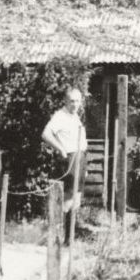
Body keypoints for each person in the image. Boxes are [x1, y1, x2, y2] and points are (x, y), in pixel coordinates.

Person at [41, 87, 87, 242]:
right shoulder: (60, 116)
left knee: (77, 199)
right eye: (72, 101)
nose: (75, 104)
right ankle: (58, 238)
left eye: (78, 101)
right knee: (68, 199)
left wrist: (84, 166)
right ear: (65, 101)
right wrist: (60, 148)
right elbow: (46, 134)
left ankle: (70, 238)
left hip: (81, 158)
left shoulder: (75, 116)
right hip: (70, 159)